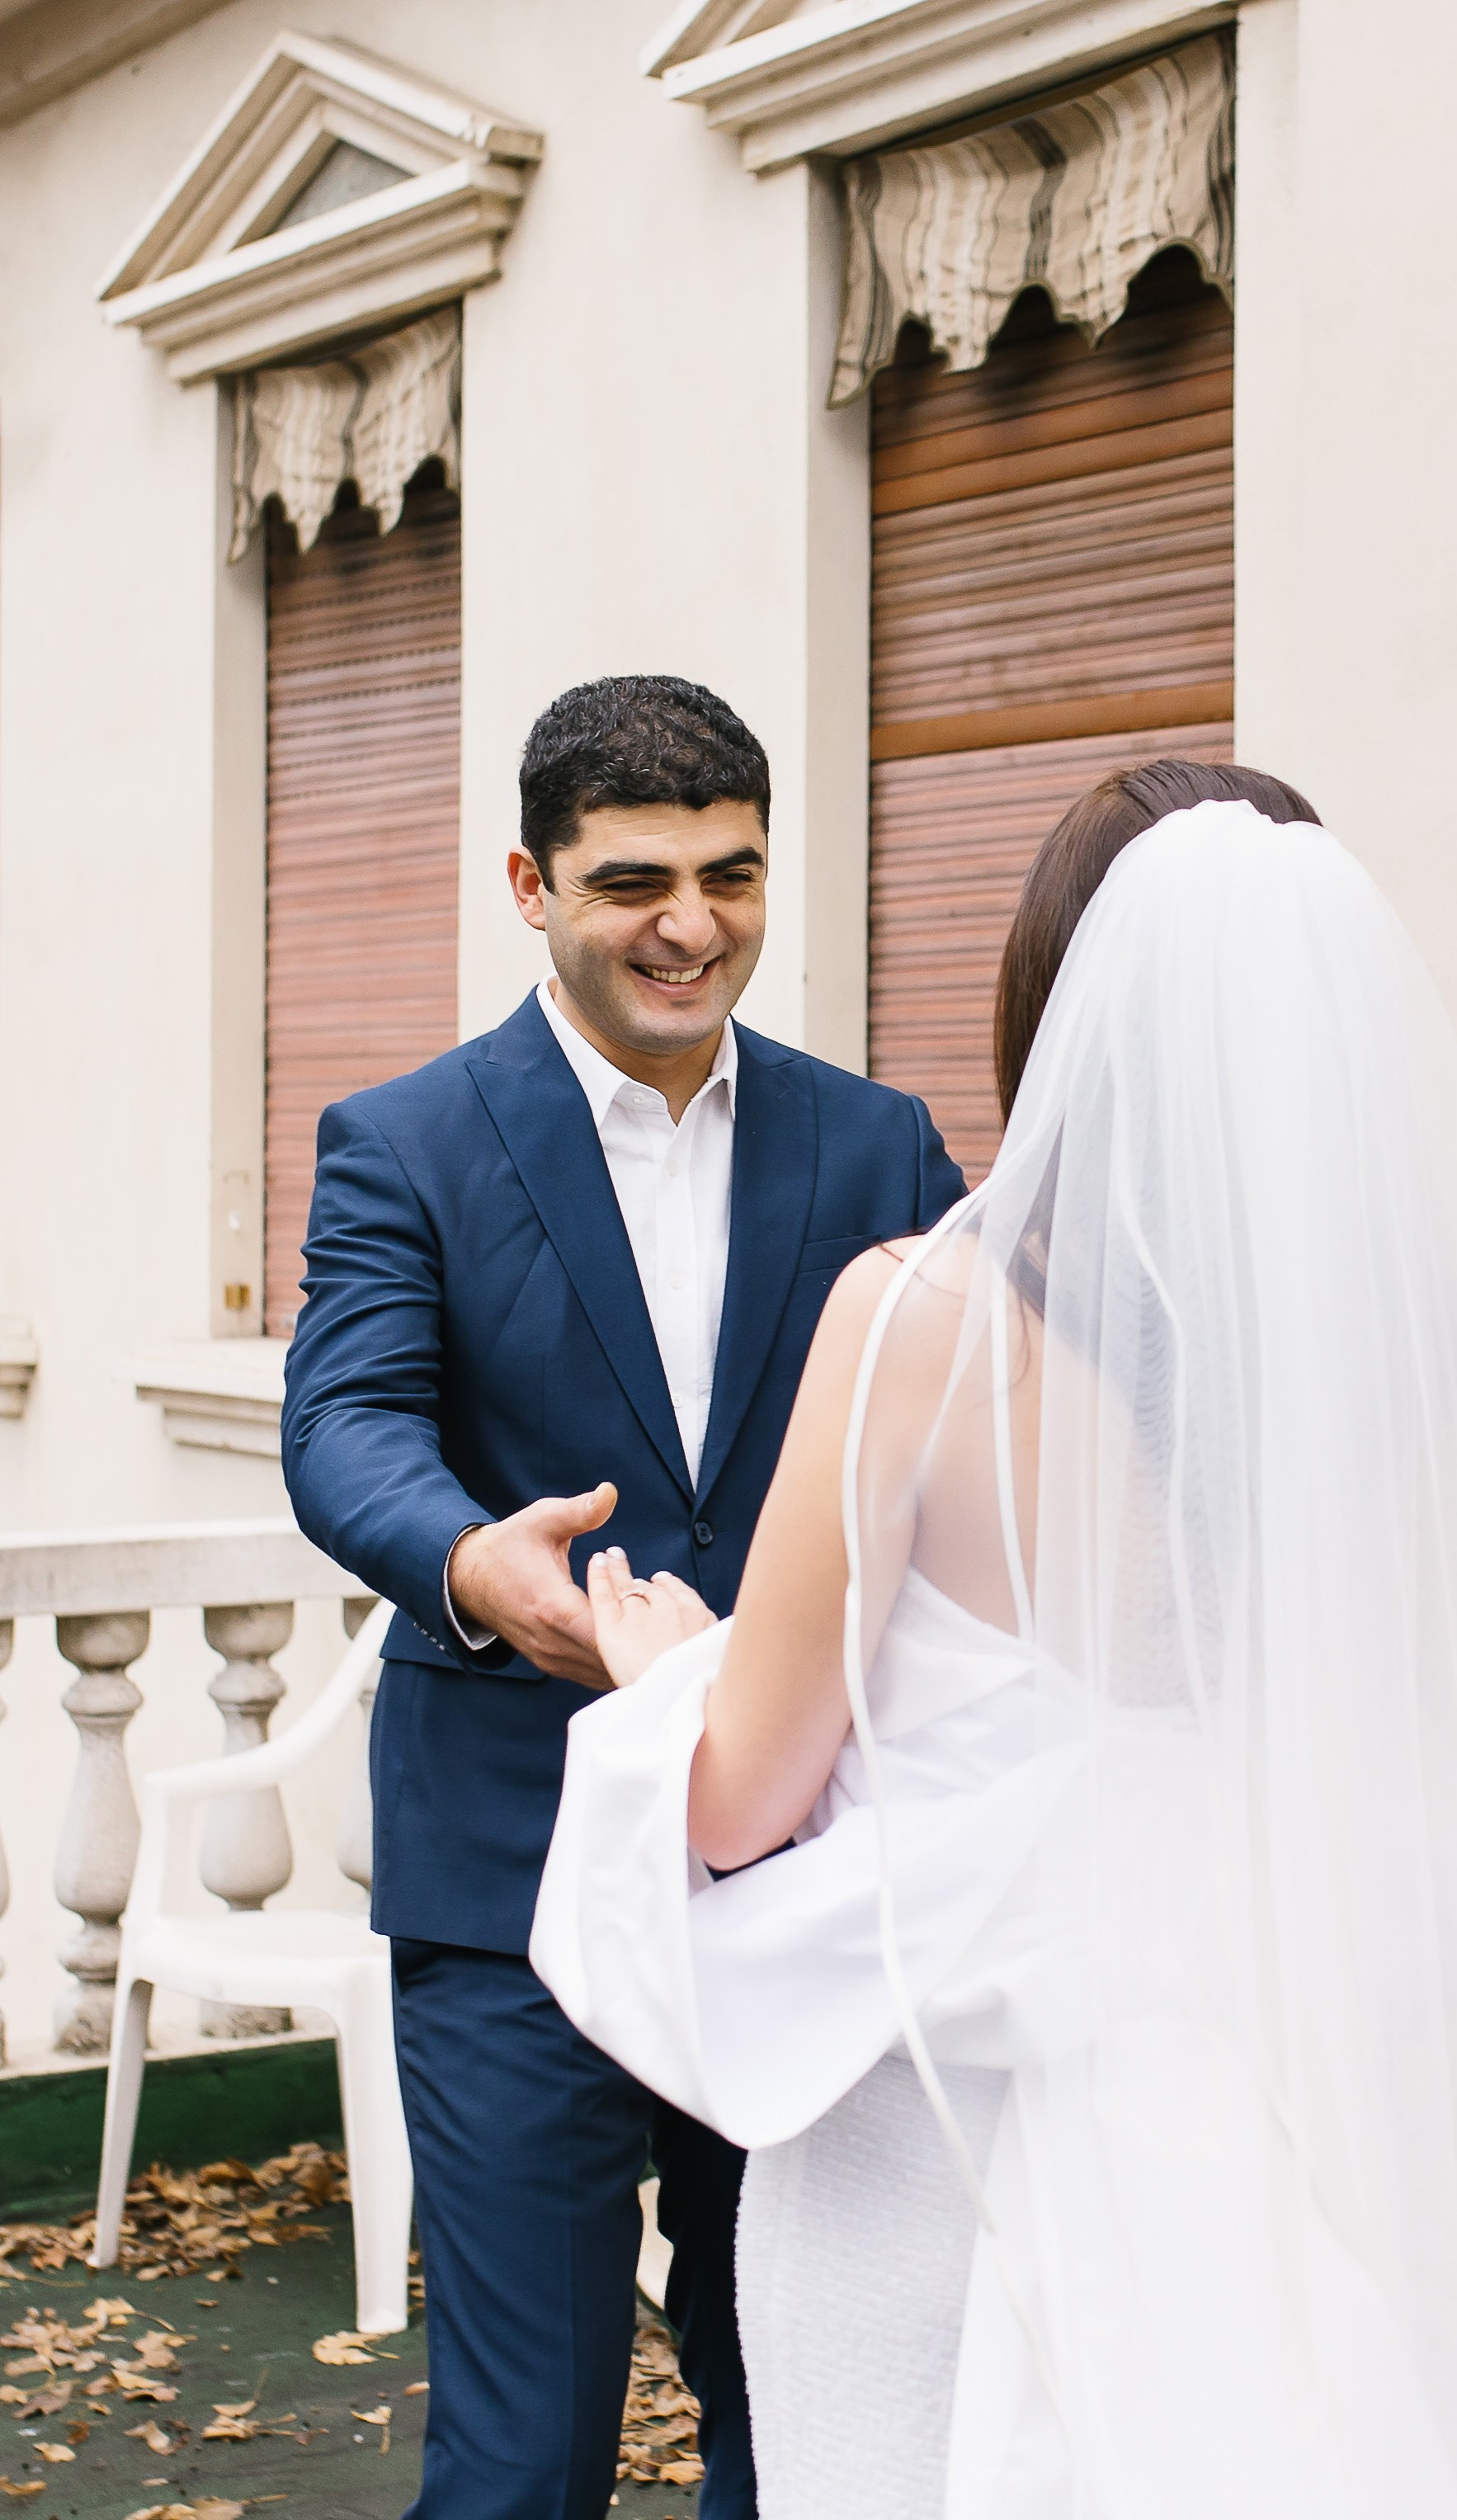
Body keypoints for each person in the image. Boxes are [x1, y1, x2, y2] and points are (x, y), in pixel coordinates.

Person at [535, 759, 1457, 2518]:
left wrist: (667, 1664)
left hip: (933, 2159)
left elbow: (739, 1802)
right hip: (1301, 2162)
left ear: (1051, 1019)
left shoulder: (918, 1322)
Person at [281, 674, 966, 2520]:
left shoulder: (880, 1141)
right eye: (634, 882)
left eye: (731, 876)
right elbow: (343, 1423)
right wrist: (468, 1562)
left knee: (816, 2429)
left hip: (811, 1879)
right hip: (516, 1879)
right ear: (531, 885)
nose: (691, 926)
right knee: (522, 2461)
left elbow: (974, 1421)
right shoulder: (404, 1139)